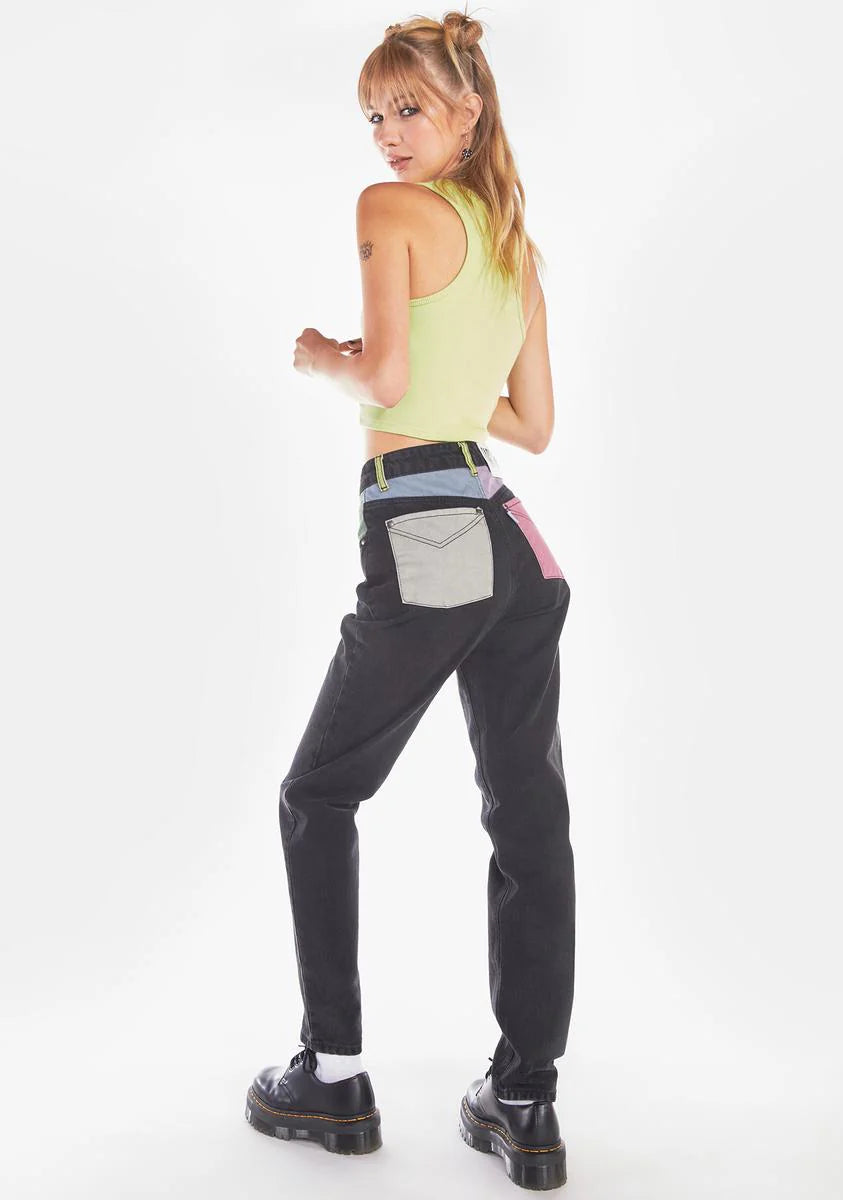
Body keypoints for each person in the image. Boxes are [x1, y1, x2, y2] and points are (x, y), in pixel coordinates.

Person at [245, 10, 573, 1190]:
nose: (387, 133)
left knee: (317, 792)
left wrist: (323, 359)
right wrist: (437, 376)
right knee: (527, 816)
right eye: (374, 114)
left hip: (427, 527)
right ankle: (525, 1098)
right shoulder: (514, 245)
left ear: (467, 111)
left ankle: (332, 1075)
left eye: (408, 108)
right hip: (514, 545)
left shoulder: (389, 210)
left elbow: (382, 378)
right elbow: (531, 425)